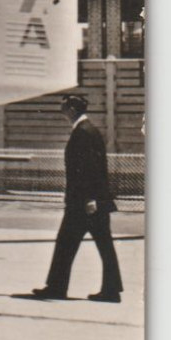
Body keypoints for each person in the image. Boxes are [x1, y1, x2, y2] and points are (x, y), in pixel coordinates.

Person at [33, 94, 123, 303]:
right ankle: (109, 290)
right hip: (87, 201)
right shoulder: (85, 130)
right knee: (94, 244)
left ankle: (58, 288)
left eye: (63, 106)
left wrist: (91, 198)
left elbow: (90, 168)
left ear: (72, 109)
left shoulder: (84, 132)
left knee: (71, 243)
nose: (61, 109)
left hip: (85, 203)